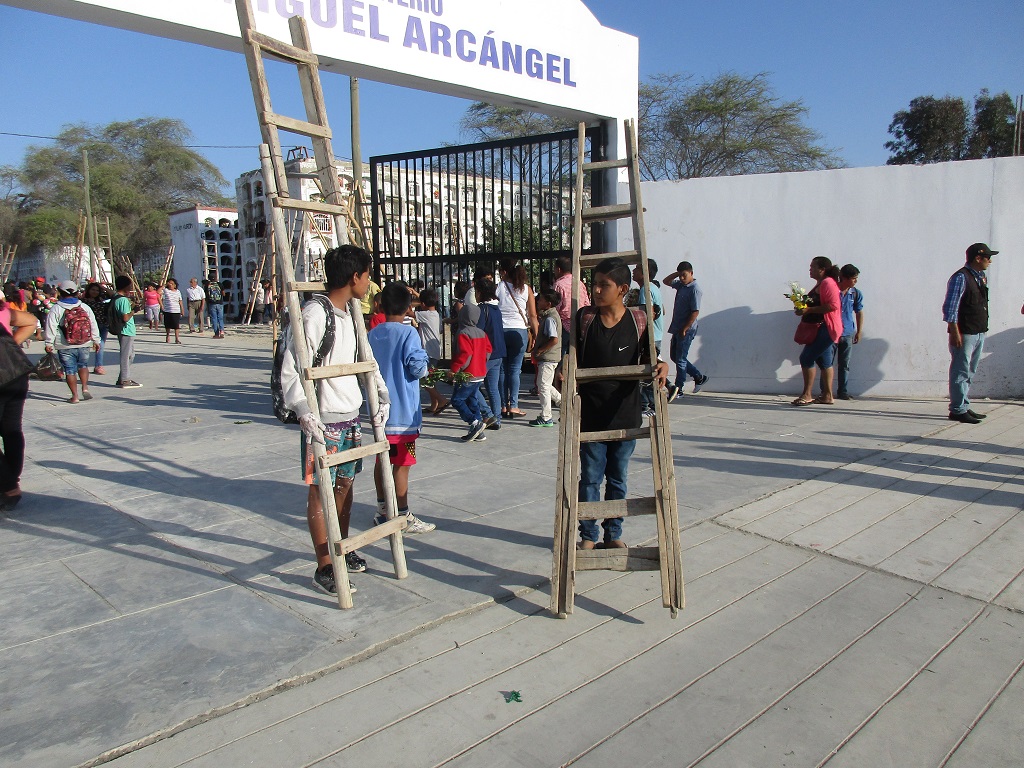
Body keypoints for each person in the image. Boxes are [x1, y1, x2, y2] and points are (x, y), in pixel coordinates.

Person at [281, 244, 390, 595]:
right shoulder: (315, 313)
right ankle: (324, 565)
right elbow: (291, 368)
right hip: (323, 418)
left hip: (350, 415)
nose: (370, 283)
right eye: (368, 275)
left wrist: (381, 394)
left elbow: (367, 361)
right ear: (355, 277)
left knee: (345, 485)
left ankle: (342, 547)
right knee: (320, 491)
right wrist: (303, 410)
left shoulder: (353, 313)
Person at [575, 257, 668, 549]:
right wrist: (566, 368)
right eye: (595, 283)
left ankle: (613, 534)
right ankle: (587, 536)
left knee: (617, 478)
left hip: (626, 414)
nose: (597, 290)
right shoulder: (584, 318)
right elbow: (573, 354)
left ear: (623, 289)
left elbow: (649, 358)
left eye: (605, 285)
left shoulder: (639, 320)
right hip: (590, 414)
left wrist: (662, 364)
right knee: (590, 478)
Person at [368, 282, 436, 535]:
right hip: (404, 416)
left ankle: (382, 509)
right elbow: (418, 368)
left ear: (381, 305)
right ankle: (403, 514)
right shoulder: (408, 334)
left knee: (381, 460)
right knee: (403, 464)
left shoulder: (373, 333)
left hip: (380, 413)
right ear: (409, 308)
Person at [943, 243, 996, 424]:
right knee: (960, 370)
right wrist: (954, 331)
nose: (990, 260)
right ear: (977, 258)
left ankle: (963, 404)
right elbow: (951, 307)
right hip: (964, 332)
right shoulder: (961, 277)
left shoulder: (980, 277)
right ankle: (957, 409)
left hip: (978, 330)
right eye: (987, 257)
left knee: (970, 371)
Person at [0, 293, 37, 509]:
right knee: (12, 429)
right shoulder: (5, 310)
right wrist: (10, 347)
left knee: (11, 430)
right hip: (16, 373)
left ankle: (9, 485)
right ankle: (12, 479)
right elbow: (31, 321)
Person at [792, 257, 843, 406]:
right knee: (824, 361)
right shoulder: (821, 284)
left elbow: (833, 305)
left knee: (806, 358)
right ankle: (827, 395)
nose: (810, 270)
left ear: (822, 269)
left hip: (826, 327)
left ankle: (807, 394)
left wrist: (809, 309)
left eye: (812, 267)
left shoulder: (827, 283)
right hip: (820, 327)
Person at [44, 281, 101, 404]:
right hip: (84, 342)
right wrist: (96, 340)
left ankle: (75, 396)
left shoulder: (56, 308)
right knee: (83, 365)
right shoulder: (84, 307)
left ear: (61, 292)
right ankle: (85, 387)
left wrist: (49, 343)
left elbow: (51, 327)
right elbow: (93, 324)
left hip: (64, 344)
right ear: (76, 292)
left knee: (70, 370)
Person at [496, 259, 538, 418]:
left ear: (505, 272)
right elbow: (532, 315)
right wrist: (536, 335)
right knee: (514, 370)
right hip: (518, 332)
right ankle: (513, 405)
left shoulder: (499, 287)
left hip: (501, 331)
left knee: (501, 370)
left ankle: (501, 405)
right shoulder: (526, 289)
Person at [663, 261, 709, 400]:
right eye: (680, 276)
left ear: (691, 273)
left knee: (681, 359)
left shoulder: (695, 289)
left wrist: (685, 328)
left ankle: (679, 388)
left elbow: (695, 312)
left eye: (684, 275)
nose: (682, 278)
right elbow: (666, 281)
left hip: (686, 329)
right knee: (675, 357)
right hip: (677, 327)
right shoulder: (681, 285)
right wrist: (678, 273)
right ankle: (698, 376)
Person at [450, 302, 492, 442]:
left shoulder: (463, 333)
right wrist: (480, 362)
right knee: (472, 400)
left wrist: (455, 369)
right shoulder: (481, 332)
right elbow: (488, 350)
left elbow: (465, 354)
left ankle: (475, 423)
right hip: (480, 373)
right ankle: (479, 432)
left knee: (457, 400)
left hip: (468, 374)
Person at [633, 260, 664, 417]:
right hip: (656, 334)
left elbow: (647, 314)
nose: (634, 270)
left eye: (637, 268)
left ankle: (646, 405)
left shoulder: (646, 288)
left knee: (648, 370)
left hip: (651, 336)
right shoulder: (653, 288)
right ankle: (650, 403)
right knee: (651, 367)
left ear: (645, 271)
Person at [476, 277, 506, 431]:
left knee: (472, 386)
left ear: (480, 292)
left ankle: (488, 414)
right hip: (499, 352)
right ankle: (497, 419)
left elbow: (478, 332)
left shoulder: (482, 309)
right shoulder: (496, 309)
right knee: (493, 388)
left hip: (486, 354)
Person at [529, 290, 562, 427]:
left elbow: (554, 339)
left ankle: (546, 416)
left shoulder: (549, 318)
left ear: (548, 304)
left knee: (543, 386)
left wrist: (541, 350)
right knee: (545, 385)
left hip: (548, 358)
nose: (538, 302)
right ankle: (564, 404)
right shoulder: (550, 316)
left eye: (541, 300)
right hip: (550, 357)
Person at [834, 264, 864, 400]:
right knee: (826, 363)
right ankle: (826, 391)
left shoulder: (855, 293)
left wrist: (859, 331)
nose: (855, 281)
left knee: (844, 364)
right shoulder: (832, 291)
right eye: (853, 278)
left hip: (847, 332)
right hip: (832, 332)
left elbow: (859, 312)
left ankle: (843, 391)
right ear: (844, 278)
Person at [415, 288, 447, 415]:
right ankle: (435, 404)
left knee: (424, 380)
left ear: (423, 304)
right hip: (434, 351)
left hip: (428, 353)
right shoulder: (436, 314)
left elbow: (408, 313)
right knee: (431, 379)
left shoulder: (426, 314)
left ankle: (442, 400)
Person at [553, 255, 591, 355]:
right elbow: (587, 304)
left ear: (559, 269)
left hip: (563, 325)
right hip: (579, 324)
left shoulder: (558, 284)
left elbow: (555, 307)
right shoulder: (580, 283)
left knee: (561, 355)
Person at [110, 275, 141, 388]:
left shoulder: (116, 297)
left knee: (131, 355)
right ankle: (125, 379)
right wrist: (134, 311)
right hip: (126, 330)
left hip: (127, 331)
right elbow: (125, 317)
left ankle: (122, 377)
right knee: (126, 355)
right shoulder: (122, 300)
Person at [81, 282, 110, 375]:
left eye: (97, 290)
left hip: (102, 325)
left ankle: (99, 366)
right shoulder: (82, 302)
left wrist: (104, 288)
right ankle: (82, 366)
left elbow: (114, 295)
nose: (95, 292)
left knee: (100, 346)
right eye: (93, 289)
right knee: (85, 346)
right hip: (88, 326)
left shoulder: (102, 300)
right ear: (88, 290)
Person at [162, 278, 185, 344]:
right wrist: (165, 285)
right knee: (167, 325)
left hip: (176, 310)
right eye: (169, 283)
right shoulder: (165, 290)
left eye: (172, 284)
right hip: (167, 310)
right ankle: (168, 335)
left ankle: (177, 338)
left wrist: (182, 310)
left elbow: (180, 301)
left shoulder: (178, 292)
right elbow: (158, 291)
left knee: (176, 325)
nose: (170, 285)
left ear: (175, 285)